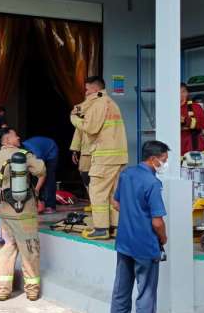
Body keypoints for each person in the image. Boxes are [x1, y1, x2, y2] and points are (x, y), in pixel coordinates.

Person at [109, 140, 169, 313]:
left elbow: (115, 203)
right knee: (146, 295)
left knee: (121, 289)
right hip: (145, 245)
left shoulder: (126, 174)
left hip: (124, 242)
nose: (164, 164)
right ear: (153, 159)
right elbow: (157, 221)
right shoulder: (152, 183)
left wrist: (132, 216)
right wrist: (164, 238)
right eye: (164, 160)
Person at [70, 76, 128, 239]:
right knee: (113, 194)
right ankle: (115, 227)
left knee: (98, 192)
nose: (86, 93)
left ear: (95, 89)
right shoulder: (111, 103)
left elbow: (90, 128)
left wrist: (74, 119)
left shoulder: (99, 103)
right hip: (117, 157)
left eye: (87, 90)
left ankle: (101, 229)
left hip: (104, 157)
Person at [0, 128, 46, 301]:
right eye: (16, 135)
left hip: (5, 210)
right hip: (24, 212)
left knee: (7, 248)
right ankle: (31, 290)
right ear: (8, 139)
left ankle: (3, 290)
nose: (19, 137)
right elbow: (41, 170)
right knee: (29, 249)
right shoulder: (23, 154)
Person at [22, 135, 59, 213]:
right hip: (38, 149)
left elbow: (42, 174)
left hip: (51, 150)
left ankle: (50, 205)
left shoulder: (36, 153)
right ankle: (38, 202)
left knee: (49, 177)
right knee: (30, 178)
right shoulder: (20, 152)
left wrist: (36, 191)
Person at [181, 82, 204, 154]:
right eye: (178, 92)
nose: (181, 94)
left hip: (194, 146)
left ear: (187, 93)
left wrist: (185, 121)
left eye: (183, 91)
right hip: (176, 146)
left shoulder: (195, 107)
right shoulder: (169, 109)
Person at [70, 123, 92, 197]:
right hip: (86, 152)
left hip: (100, 153)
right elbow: (78, 135)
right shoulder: (82, 120)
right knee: (85, 175)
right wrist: (74, 151)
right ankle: (92, 201)